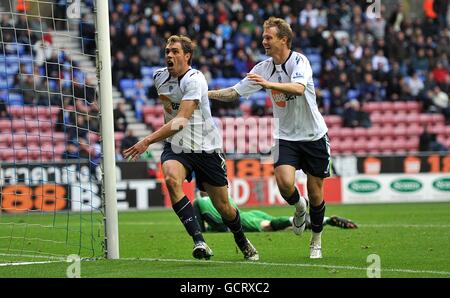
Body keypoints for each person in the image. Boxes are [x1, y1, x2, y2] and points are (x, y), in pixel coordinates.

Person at [123, 35, 258, 261]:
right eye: (167, 51)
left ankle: (241, 239)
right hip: (177, 147)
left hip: (206, 148)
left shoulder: (195, 79)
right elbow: (169, 107)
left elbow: (180, 120)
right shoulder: (159, 77)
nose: (169, 55)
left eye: (175, 51)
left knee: (224, 207)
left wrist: (147, 140)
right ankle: (199, 241)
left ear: (187, 56)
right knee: (171, 180)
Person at [208, 17, 330, 259]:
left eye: (268, 37)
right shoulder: (262, 68)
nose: (263, 41)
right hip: (285, 136)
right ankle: (298, 207)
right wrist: (205, 93)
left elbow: (298, 88)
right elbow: (234, 92)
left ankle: (316, 239)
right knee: (284, 183)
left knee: (316, 193)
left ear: (283, 39)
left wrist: (268, 84)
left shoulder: (300, 61)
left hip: (313, 135)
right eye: (263, 37)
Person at [193, 192, 357, 233]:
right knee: (283, 225)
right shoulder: (225, 196)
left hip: (243, 219)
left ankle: (325, 220)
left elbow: (213, 224)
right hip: (251, 213)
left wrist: (203, 231)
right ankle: (325, 219)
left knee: (271, 226)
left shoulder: (200, 202)